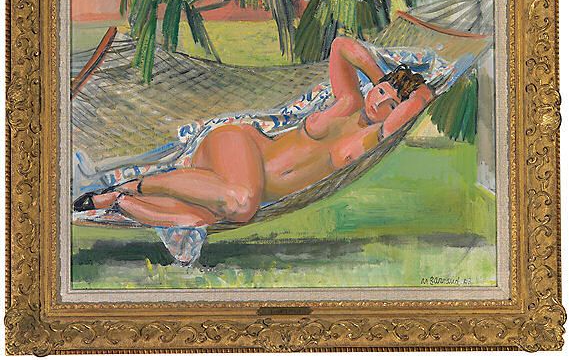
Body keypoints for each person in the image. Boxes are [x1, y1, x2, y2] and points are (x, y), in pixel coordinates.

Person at [74, 36, 434, 228]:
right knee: (242, 203)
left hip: (235, 187)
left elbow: (424, 96)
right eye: (380, 92)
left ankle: (118, 201)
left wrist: (403, 92)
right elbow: (341, 46)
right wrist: (383, 78)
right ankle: (133, 185)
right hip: (240, 146)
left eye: (390, 103)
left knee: (198, 218)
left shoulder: (374, 138)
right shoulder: (348, 103)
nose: (379, 102)